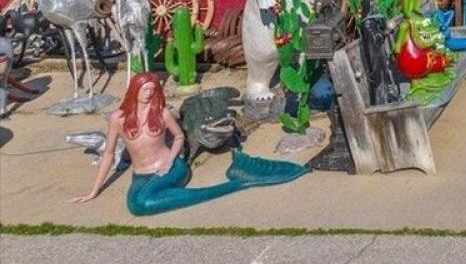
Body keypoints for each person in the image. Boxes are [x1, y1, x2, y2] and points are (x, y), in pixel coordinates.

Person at [72, 72, 305, 216]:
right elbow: (108, 154)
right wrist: (94, 190)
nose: (148, 94)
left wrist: (170, 160)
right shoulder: (118, 118)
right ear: (134, 90)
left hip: (172, 169)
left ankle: (237, 184)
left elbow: (180, 137)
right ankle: (235, 183)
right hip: (141, 175)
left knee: (140, 204)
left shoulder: (161, 113)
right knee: (138, 203)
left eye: (152, 90)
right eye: (144, 90)